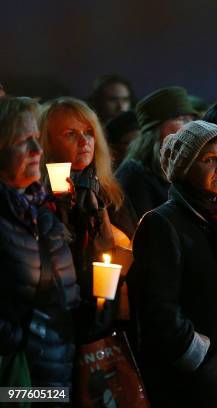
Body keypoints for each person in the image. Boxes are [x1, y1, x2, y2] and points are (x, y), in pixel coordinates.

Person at [128, 121, 217, 406]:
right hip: (200, 374)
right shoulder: (163, 223)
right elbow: (158, 306)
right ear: (186, 167)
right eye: (209, 160)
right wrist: (195, 353)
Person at [0, 96, 79, 387]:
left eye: (37, 138)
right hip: (16, 378)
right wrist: (20, 339)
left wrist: (97, 308)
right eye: (23, 141)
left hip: (56, 372)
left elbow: (64, 296)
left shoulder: (42, 214)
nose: (37, 150)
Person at [39, 97, 125, 342]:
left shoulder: (101, 190)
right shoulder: (43, 199)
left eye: (89, 132)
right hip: (56, 326)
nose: (84, 142)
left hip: (99, 322)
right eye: (70, 134)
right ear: (48, 142)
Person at [113, 86, 197, 238]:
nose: (190, 127)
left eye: (191, 120)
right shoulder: (134, 176)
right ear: (157, 128)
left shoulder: (184, 170)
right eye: (181, 119)